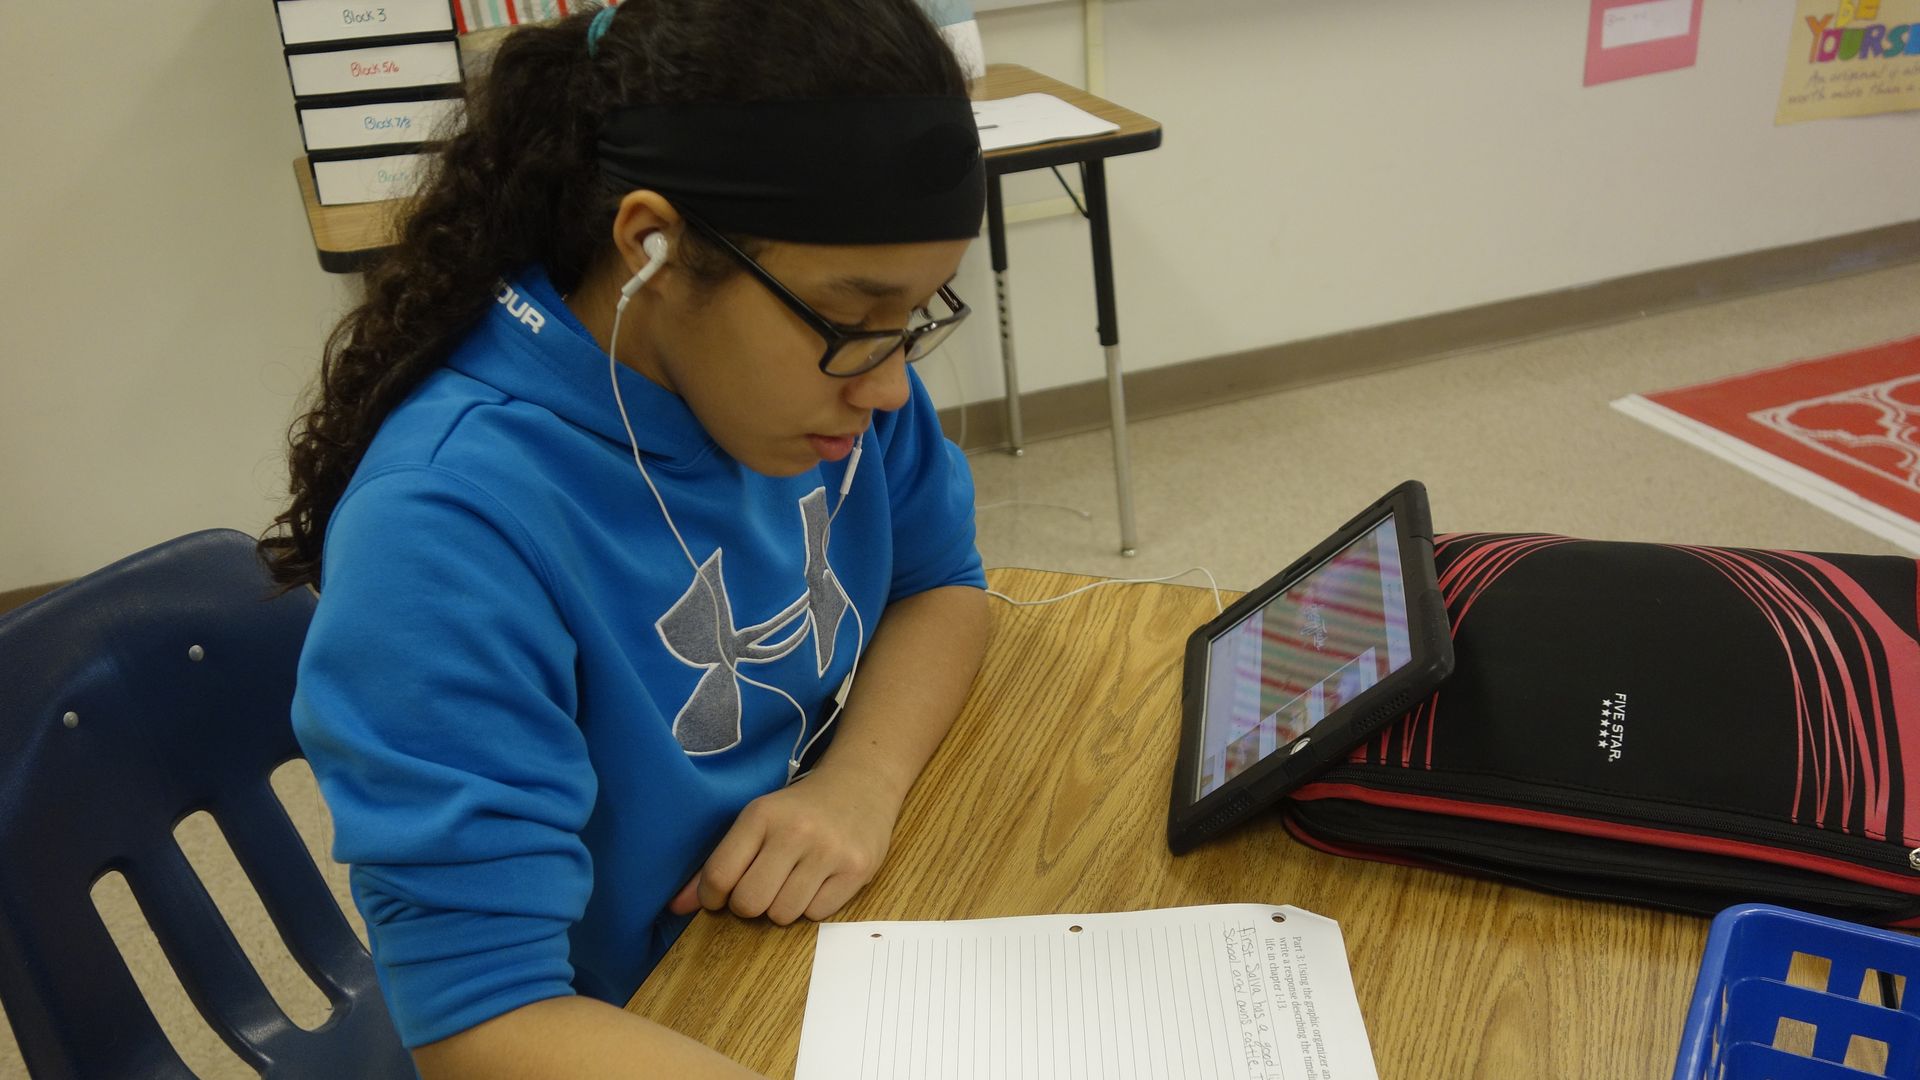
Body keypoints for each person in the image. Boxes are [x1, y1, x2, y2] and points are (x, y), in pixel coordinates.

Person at [259, 2, 990, 1075]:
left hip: (819, 936)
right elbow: (480, 1021)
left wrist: (860, 785)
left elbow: (941, 580)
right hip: (644, 1023)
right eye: (850, 319)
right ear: (654, 245)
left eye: (915, 317)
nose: (888, 385)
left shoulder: (835, 388)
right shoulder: (444, 531)